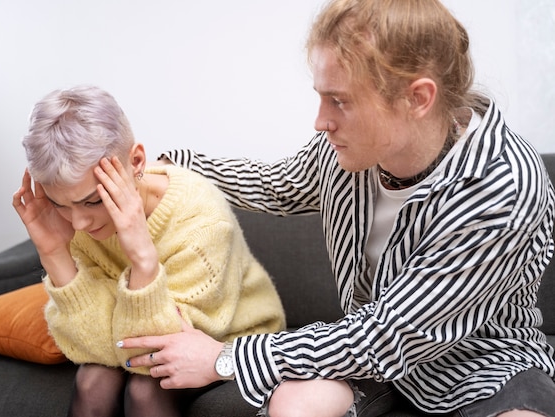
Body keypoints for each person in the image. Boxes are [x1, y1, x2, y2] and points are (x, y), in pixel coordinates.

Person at [116, 0, 555, 416]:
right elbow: (277, 186)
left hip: (482, 363)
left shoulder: (504, 185)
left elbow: (389, 336)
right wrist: (174, 170)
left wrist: (224, 358)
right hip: (370, 362)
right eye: (322, 96)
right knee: (295, 404)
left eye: (340, 101)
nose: (321, 121)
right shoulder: (351, 149)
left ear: (418, 98)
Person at [11, 85, 286, 417]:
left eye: (93, 201)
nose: (80, 222)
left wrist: (142, 257)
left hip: (230, 340)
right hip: (143, 333)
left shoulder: (201, 221)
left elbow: (154, 352)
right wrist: (55, 253)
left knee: (145, 389)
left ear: (136, 162)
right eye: (62, 204)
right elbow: (88, 349)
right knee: (92, 381)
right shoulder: (75, 221)